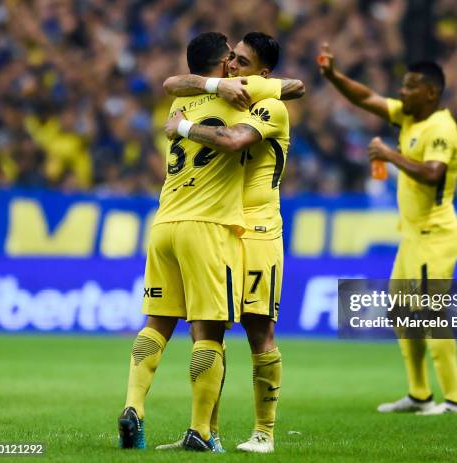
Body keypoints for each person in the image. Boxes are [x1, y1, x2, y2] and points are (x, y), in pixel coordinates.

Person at [117, 31, 302, 453]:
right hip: (216, 224)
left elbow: (294, 90)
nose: (234, 66)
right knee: (208, 331)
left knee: (258, 332)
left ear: (261, 71)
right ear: (221, 65)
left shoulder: (263, 103)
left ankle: (263, 432)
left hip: (256, 228)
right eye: (230, 59)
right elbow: (179, 82)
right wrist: (217, 86)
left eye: (242, 61)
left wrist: (181, 124)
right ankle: (204, 432)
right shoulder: (216, 94)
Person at [319, 43, 457, 415]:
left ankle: (456, 400)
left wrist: (391, 156)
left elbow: (433, 172)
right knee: (401, 311)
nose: (402, 92)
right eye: (403, 85)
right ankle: (420, 394)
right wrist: (333, 76)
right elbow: (367, 98)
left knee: (431, 314)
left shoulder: (441, 128)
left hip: (435, 236)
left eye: (411, 86)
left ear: (432, 92)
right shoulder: (409, 117)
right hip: (414, 236)